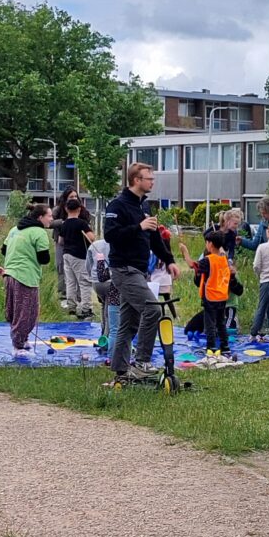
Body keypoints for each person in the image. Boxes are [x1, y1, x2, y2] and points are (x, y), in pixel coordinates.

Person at [105, 163, 178, 384]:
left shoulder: (144, 206)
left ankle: (121, 370)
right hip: (124, 269)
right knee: (152, 309)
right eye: (149, 178)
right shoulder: (118, 205)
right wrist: (139, 227)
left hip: (139, 270)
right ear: (136, 180)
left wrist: (169, 260)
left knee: (129, 323)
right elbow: (110, 235)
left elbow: (154, 238)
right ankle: (141, 362)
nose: (152, 182)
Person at [2, 198, 54, 357]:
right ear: (40, 217)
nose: (51, 219)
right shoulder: (39, 232)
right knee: (28, 312)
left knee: (14, 310)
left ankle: (22, 339)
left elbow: (3, 250)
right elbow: (44, 259)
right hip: (25, 277)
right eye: (49, 216)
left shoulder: (14, 229)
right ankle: (18, 346)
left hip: (9, 274)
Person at [194, 227, 236, 357]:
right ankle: (225, 346)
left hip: (210, 296)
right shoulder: (224, 259)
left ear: (210, 244)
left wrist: (185, 252)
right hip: (222, 296)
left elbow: (194, 266)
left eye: (206, 242)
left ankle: (211, 347)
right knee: (221, 323)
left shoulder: (208, 260)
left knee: (210, 324)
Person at [52, 194, 93, 317]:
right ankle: (86, 308)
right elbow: (91, 238)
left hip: (66, 255)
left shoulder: (64, 224)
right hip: (79, 255)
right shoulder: (81, 223)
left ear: (66, 209)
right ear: (79, 209)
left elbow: (60, 241)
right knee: (84, 282)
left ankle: (71, 307)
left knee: (70, 282)